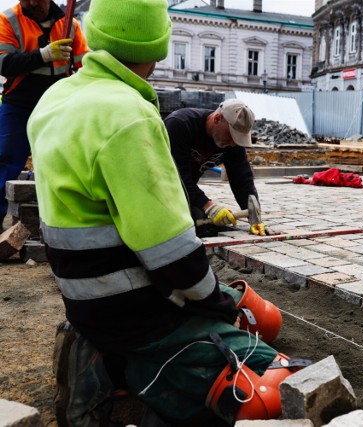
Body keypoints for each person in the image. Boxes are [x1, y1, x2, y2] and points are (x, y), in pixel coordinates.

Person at [27, 0, 297, 425]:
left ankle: (112, 364)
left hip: (82, 297)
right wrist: (214, 304)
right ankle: (144, 373)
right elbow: (168, 248)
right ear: (157, 49)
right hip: (132, 308)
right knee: (274, 382)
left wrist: (247, 210)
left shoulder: (54, 99)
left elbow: (236, 176)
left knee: (243, 306)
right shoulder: (131, 116)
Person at [0, 0, 88, 222]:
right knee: (5, 162)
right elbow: (3, 63)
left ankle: (59, 221)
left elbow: (84, 66)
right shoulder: (8, 20)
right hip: (18, 104)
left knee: (63, 164)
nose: (31, 3)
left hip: (57, 105)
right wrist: (43, 55)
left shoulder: (71, 26)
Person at [164, 103, 271, 237]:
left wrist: (254, 217)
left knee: (205, 227)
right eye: (231, 135)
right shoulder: (180, 124)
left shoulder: (233, 142)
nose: (233, 143)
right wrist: (209, 206)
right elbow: (176, 175)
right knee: (189, 226)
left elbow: (241, 178)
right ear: (217, 119)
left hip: (185, 191)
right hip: (158, 187)